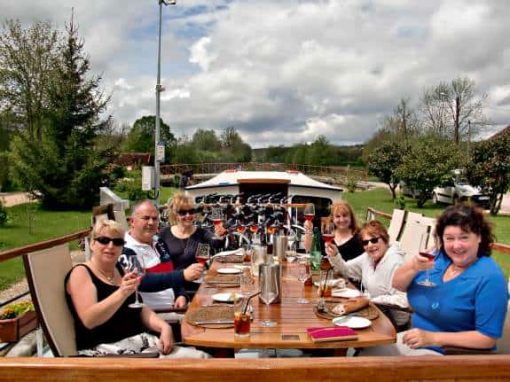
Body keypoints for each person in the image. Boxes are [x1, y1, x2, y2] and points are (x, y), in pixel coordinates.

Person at [367, 204, 508, 356]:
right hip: (415, 341)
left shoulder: (490, 277)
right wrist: (413, 266)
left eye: (464, 237)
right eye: (449, 238)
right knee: (365, 354)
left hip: (453, 355)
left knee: (368, 369)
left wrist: (433, 338)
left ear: (479, 237)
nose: (456, 245)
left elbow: (487, 338)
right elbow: (398, 284)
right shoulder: (438, 259)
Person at [65, 219, 209, 358]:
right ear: (92, 244)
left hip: (140, 344)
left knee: (204, 352)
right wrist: (121, 293)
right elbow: (90, 320)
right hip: (109, 353)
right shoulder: (81, 273)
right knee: (203, 361)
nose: (110, 246)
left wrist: (164, 327)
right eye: (104, 240)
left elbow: (139, 308)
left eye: (117, 242)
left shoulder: (119, 269)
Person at [325, 219, 410, 330]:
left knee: (341, 327)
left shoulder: (395, 263)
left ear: (385, 239)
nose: (370, 245)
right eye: (365, 242)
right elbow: (346, 270)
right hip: (373, 311)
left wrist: (371, 300)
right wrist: (335, 255)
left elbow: (404, 300)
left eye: (374, 240)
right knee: (334, 318)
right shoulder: (368, 257)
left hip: (393, 322)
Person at [122, 200, 204, 310]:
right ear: (132, 221)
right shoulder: (125, 248)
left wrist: (181, 294)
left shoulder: (158, 242)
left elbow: (170, 272)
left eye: (155, 218)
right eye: (146, 218)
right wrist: (182, 275)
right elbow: (140, 281)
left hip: (174, 307)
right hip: (153, 314)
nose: (151, 222)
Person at [159, 192, 227, 294]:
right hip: (172, 288)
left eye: (191, 211)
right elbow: (159, 264)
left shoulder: (201, 233)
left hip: (196, 288)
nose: (188, 215)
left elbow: (216, 243)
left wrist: (220, 235)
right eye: (183, 212)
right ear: (175, 214)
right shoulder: (164, 234)